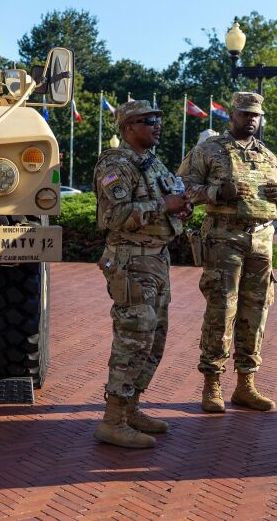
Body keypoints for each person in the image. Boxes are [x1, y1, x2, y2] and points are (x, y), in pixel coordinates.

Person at [178, 92, 277, 414]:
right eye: (245, 114)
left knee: (256, 311)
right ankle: (212, 382)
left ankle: (246, 384)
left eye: (256, 115)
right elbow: (182, 189)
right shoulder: (208, 150)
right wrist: (218, 191)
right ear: (232, 115)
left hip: (261, 240)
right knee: (221, 309)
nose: (251, 120)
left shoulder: (269, 157)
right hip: (223, 238)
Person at [93, 100, 192, 449]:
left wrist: (182, 208)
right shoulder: (115, 164)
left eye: (158, 119)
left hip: (156, 261)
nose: (157, 125)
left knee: (154, 339)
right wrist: (164, 206)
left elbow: (170, 202)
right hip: (131, 261)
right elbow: (116, 216)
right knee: (133, 338)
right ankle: (113, 420)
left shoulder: (153, 163)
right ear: (128, 127)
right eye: (148, 121)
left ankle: (131, 408)